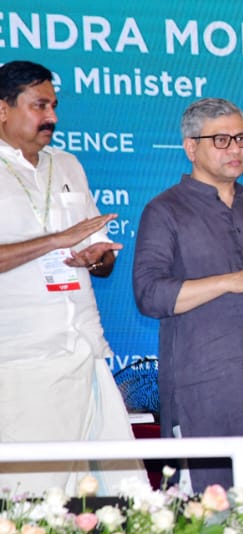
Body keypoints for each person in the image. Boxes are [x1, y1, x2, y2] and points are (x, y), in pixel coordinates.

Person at [133, 98, 243, 491]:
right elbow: (149, 294)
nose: (236, 149)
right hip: (204, 385)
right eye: (222, 140)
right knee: (212, 513)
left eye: (242, 139)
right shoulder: (165, 210)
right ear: (191, 147)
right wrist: (231, 281)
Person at [0, 60, 141, 495]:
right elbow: (57, 240)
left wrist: (97, 258)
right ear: (3, 108)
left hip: (85, 349)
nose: (53, 117)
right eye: (39, 105)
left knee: (118, 495)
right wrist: (56, 240)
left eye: (54, 106)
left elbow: (101, 257)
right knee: (32, 502)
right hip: (21, 360)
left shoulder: (67, 165)